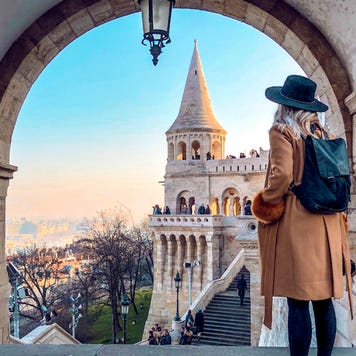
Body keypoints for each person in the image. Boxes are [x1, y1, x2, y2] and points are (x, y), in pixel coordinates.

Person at [251, 74, 353, 356]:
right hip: (329, 224)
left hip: (300, 223)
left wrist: (267, 203)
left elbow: (281, 174)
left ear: (284, 105)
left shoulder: (283, 132)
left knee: (298, 300)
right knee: (323, 301)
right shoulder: (325, 134)